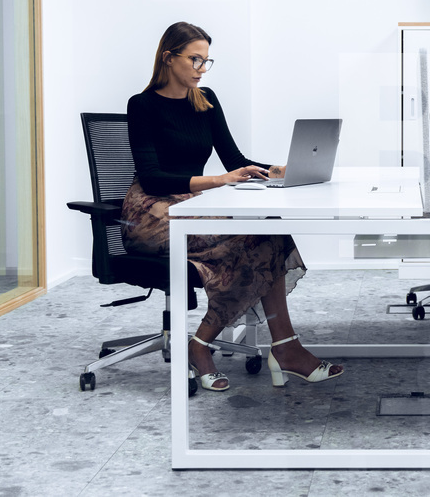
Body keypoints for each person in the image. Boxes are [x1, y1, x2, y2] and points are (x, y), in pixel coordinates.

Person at [121, 21, 343, 392]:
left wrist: (276, 170)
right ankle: (224, 347)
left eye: (206, 61)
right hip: (152, 214)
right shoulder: (142, 106)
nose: (201, 69)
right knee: (255, 240)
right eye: (194, 59)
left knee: (269, 233)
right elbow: (154, 177)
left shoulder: (205, 101)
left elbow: (234, 160)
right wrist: (219, 181)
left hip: (191, 205)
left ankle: (271, 347)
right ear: (169, 58)